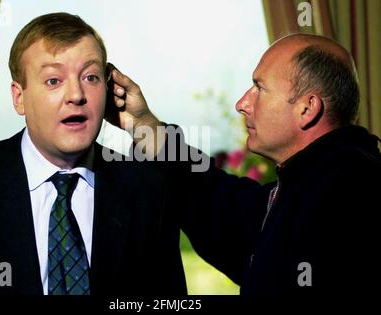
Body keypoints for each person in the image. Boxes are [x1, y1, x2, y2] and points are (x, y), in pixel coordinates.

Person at [0, 12, 264, 295]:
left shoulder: (146, 190)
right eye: (52, 80)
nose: (76, 94)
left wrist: (144, 125)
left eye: (90, 77)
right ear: (19, 97)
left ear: (110, 89)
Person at [124, 33, 381, 295]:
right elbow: (224, 208)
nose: (242, 104)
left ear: (307, 108)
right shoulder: (311, 185)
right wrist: (145, 127)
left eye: (260, 88)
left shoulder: (350, 195)